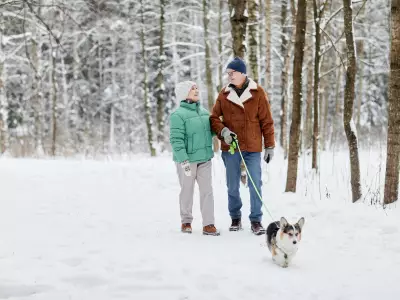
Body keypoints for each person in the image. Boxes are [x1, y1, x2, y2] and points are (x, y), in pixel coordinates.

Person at [210, 57, 275, 235]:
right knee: (232, 185)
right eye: (228, 73)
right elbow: (214, 118)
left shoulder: (258, 93)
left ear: (242, 73)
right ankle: (235, 218)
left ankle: (256, 220)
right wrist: (223, 132)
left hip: (253, 147)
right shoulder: (223, 94)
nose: (229, 76)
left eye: (232, 73)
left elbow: (267, 121)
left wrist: (269, 145)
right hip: (231, 148)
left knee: (255, 183)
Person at [169, 80, 220, 236]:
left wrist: (221, 129)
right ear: (185, 93)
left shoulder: (205, 113)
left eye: (197, 88)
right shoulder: (178, 115)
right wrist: (183, 160)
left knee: (207, 191)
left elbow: (209, 133)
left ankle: (209, 224)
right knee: (187, 190)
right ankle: (186, 221)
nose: (197, 90)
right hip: (186, 161)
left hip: (204, 159)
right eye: (193, 89)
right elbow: (176, 140)